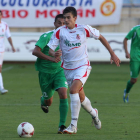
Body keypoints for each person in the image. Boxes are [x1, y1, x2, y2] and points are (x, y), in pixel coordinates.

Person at [48, 6, 121, 134]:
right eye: (64, 18)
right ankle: (94, 113)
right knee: (81, 98)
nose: (66, 20)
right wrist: (54, 54)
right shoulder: (59, 31)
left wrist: (112, 54)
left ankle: (73, 126)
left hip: (82, 66)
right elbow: (50, 49)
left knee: (73, 90)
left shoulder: (83, 29)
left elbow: (101, 37)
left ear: (75, 18)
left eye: (68, 17)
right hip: (67, 69)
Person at [32, 14, 69, 134]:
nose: (62, 26)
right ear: (55, 24)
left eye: (64, 23)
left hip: (59, 71)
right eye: (59, 23)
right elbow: (35, 51)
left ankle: (62, 126)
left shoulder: (68, 37)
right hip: (45, 73)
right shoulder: (47, 36)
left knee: (63, 93)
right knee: (49, 101)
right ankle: (43, 100)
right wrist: (51, 58)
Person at [123, 25, 140, 103]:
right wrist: (127, 52)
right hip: (135, 57)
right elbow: (125, 39)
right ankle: (126, 92)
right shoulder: (135, 29)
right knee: (133, 80)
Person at [0, 10, 16, 94]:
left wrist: (12, 46)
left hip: (1, 50)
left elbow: (8, 36)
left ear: (2, 15)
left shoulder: (4, 25)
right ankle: (1, 88)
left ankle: (1, 88)